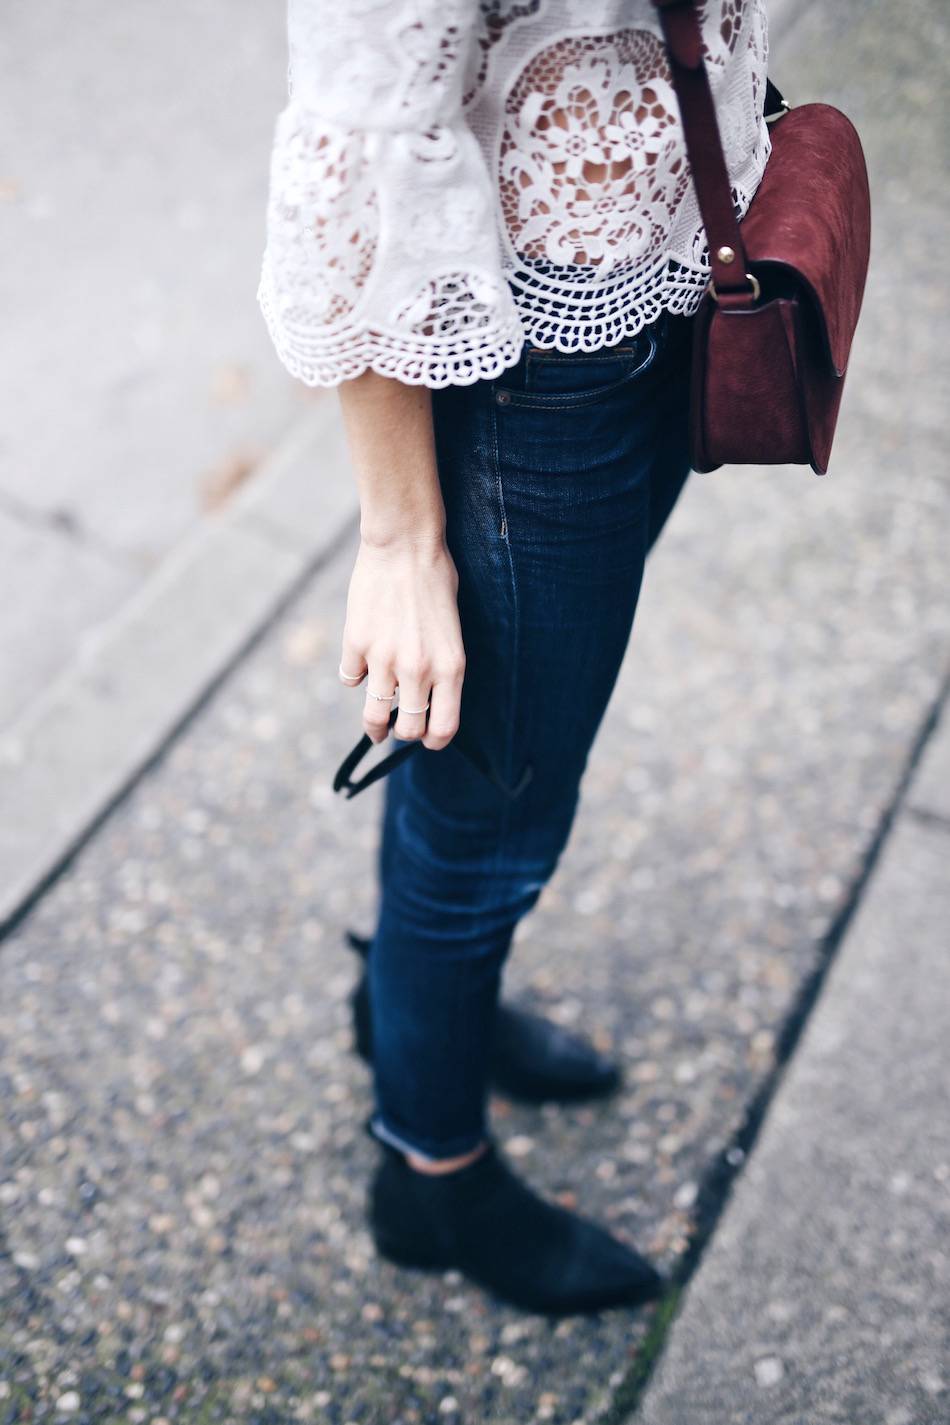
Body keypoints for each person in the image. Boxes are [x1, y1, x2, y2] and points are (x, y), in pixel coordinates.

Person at [258, 0, 771, 1316]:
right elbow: (356, 142)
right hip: (538, 369)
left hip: (658, 277)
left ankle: (416, 1006)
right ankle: (430, 1171)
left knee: (470, 771)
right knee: (492, 816)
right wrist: (399, 537)